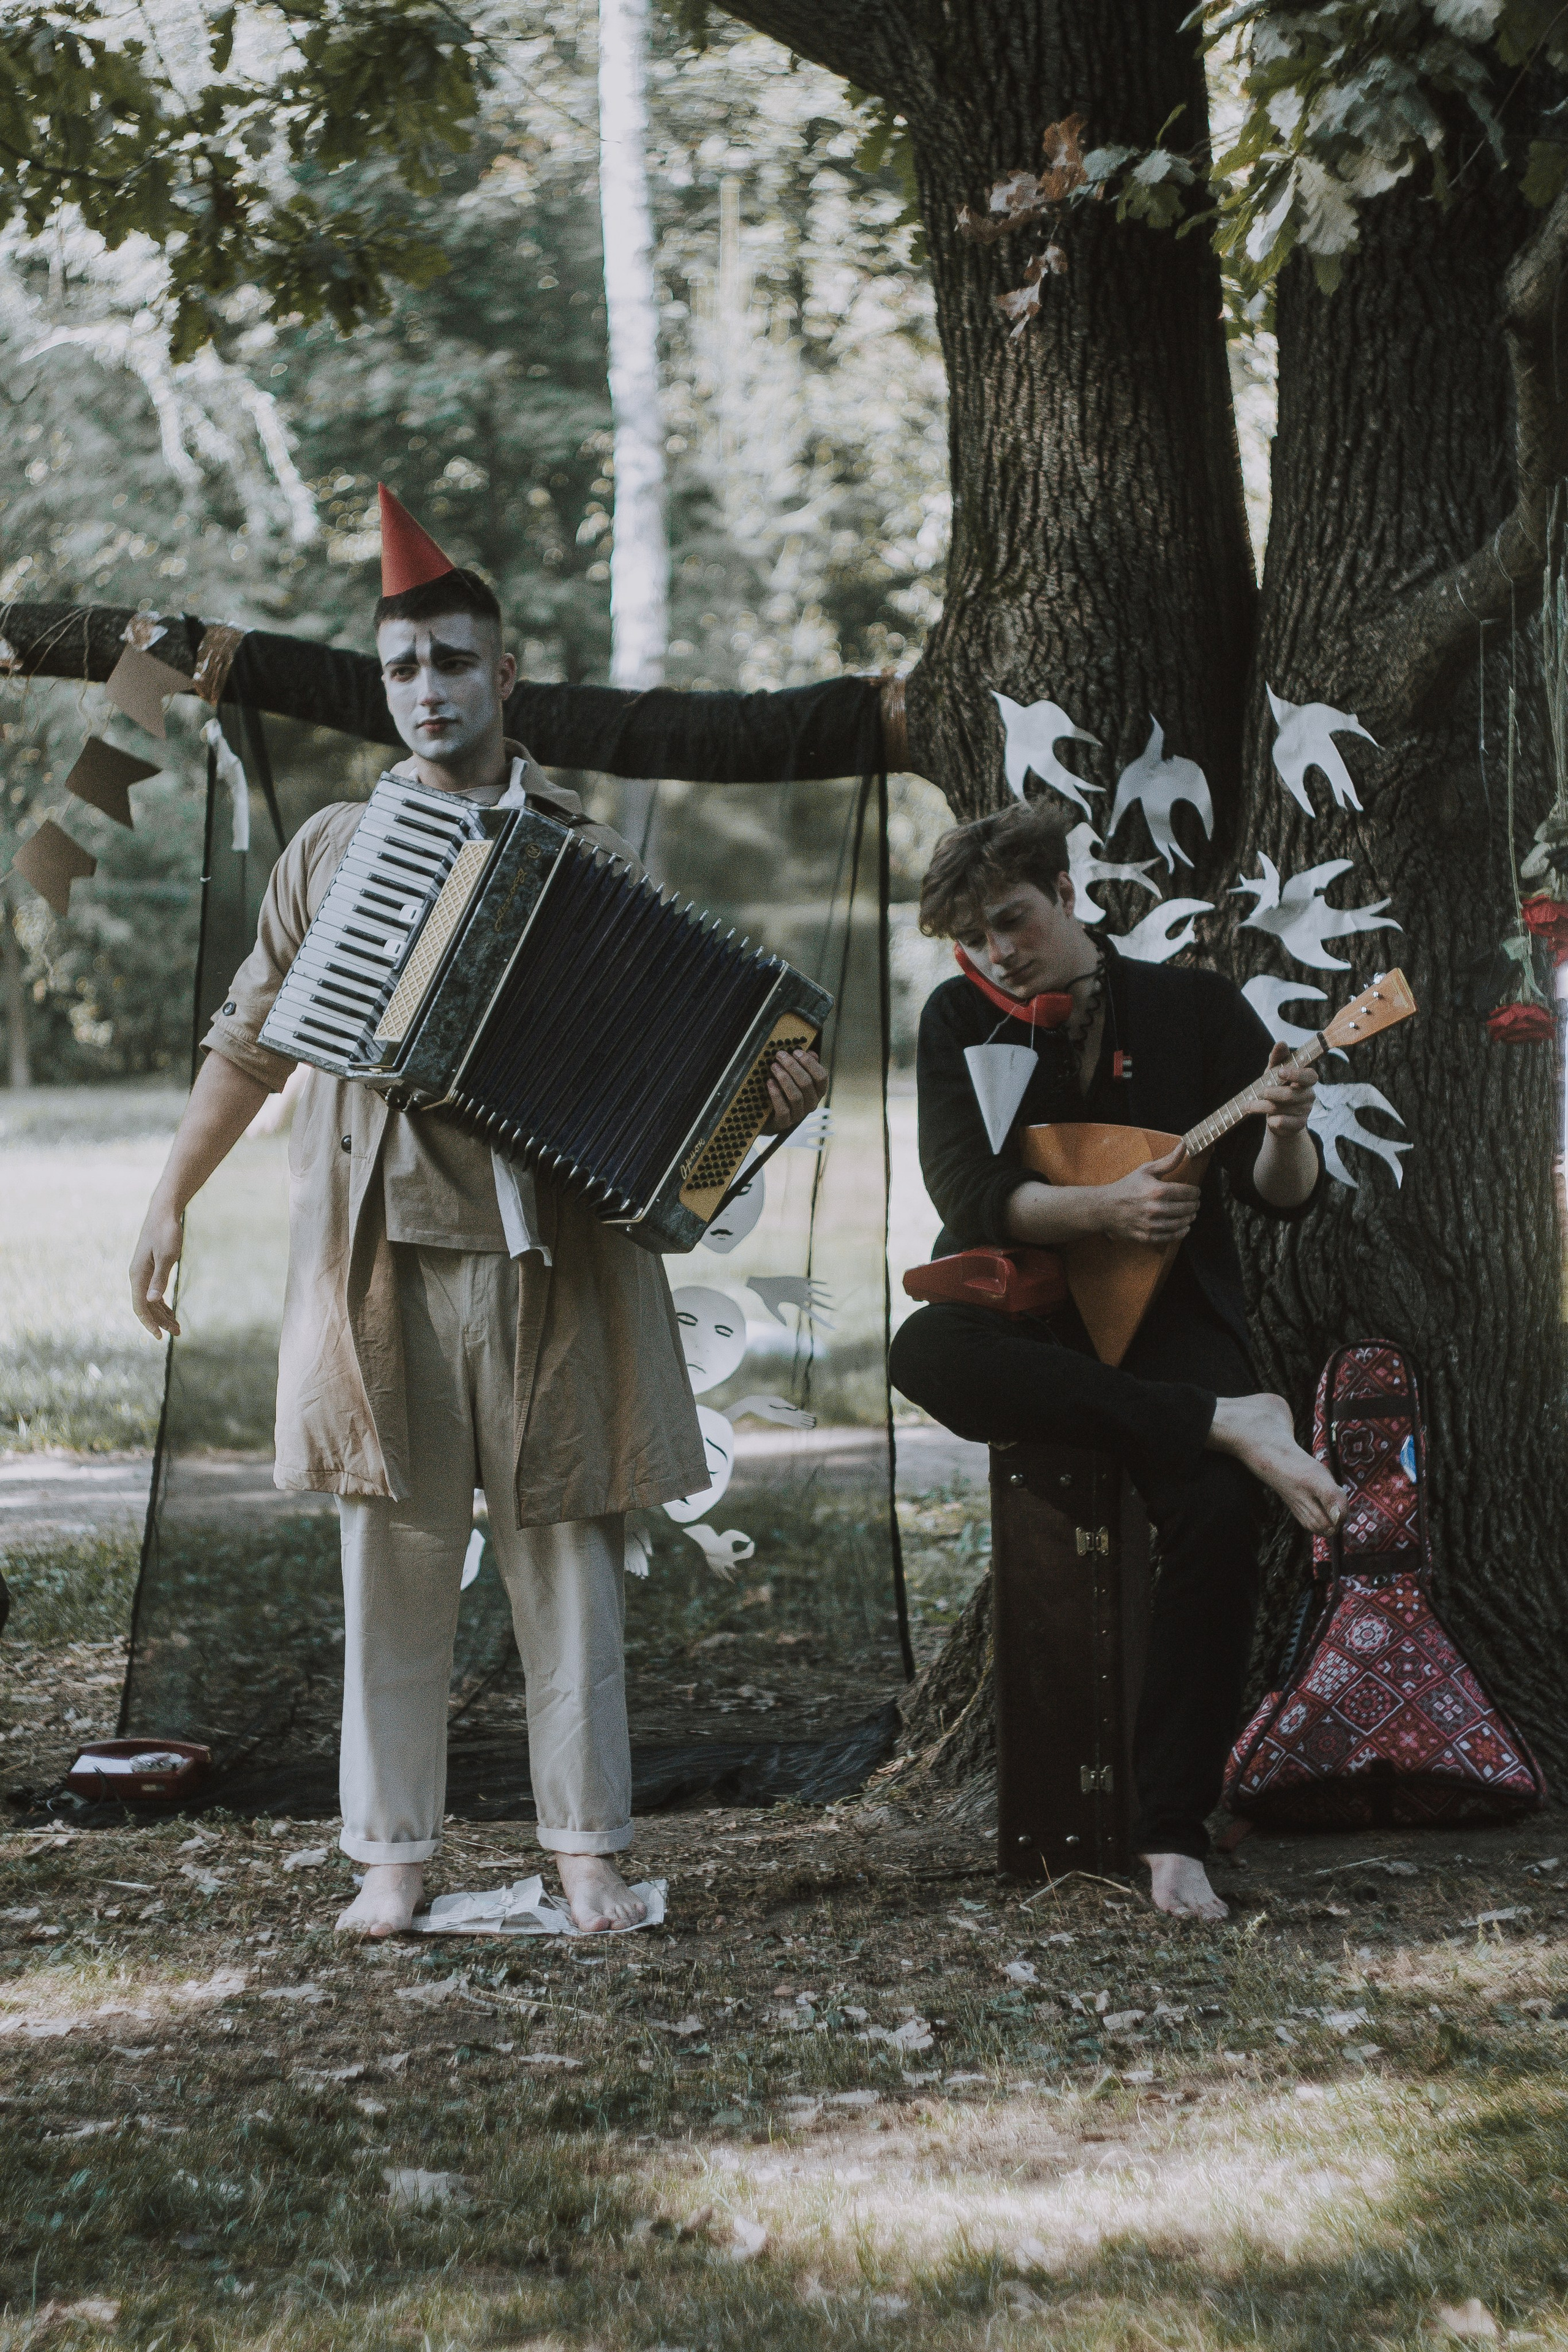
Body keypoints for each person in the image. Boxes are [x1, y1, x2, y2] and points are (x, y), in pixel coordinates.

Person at [129, 487, 827, 1938]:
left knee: (566, 1556)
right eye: (402, 669)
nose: (428, 692)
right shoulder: (329, 851)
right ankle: (391, 1856)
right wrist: (167, 1198)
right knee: (389, 1560)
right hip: (379, 1254)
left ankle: (584, 1851)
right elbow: (249, 1044)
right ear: (382, 688)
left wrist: (770, 1093)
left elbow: (684, 1087)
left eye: (453, 663)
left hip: (549, 1261)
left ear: (502, 676)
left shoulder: (584, 851)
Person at [888, 801, 1347, 1923]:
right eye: (978, 935)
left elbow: (1281, 1201)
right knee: (922, 1348)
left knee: (1220, 1521)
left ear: (1065, 893)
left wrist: (1285, 1126)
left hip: (1172, 1317)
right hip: (1026, 1307)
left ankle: (1173, 1832)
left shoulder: (1193, 1006)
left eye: (1014, 920)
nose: (1001, 951)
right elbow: (968, 1194)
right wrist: (1099, 1210)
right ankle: (1222, 1418)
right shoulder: (960, 1016)